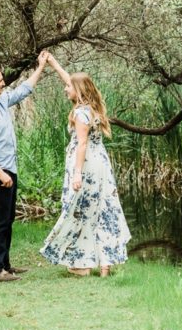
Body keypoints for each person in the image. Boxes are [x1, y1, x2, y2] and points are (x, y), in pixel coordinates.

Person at [39, 53, 129, 277]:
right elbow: (69, 79)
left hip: (86, 165)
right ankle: (104, 263)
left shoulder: (80, 113)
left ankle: (83, 264)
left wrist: (77, 173)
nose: (64, 89)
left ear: (78, 91)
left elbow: (82, 144)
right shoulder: (92, 110)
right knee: (101, 209)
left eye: (69, 87)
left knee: (79, 210)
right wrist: (52, 62)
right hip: (101, 165)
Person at [0, 52, 48, 282]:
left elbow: (23, 90)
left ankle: (5, 265)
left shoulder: (1, 100)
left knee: (8, 217)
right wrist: (0, 172)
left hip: (8, 168)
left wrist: (40, 67)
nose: (4, 82)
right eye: (0, 80)